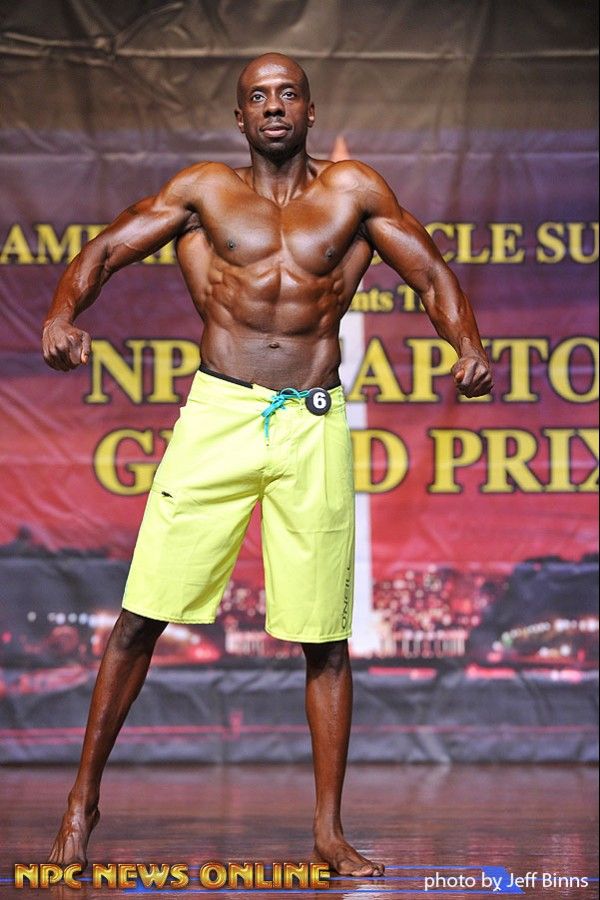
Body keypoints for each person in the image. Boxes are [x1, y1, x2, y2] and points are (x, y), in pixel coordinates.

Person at [42, 52, 493, 877]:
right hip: (220, 413)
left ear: (311, 111)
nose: (274, 105)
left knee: (325, 637)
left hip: (313, 421)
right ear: (241, 117)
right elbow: (105, 249)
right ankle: (81, 802)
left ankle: (328, 831)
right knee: (143, 614)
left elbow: (430, 272)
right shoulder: (205, 191)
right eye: (259, 96)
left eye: (288, 94)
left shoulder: (353, 193)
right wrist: (63, 314)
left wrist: (466, 344)